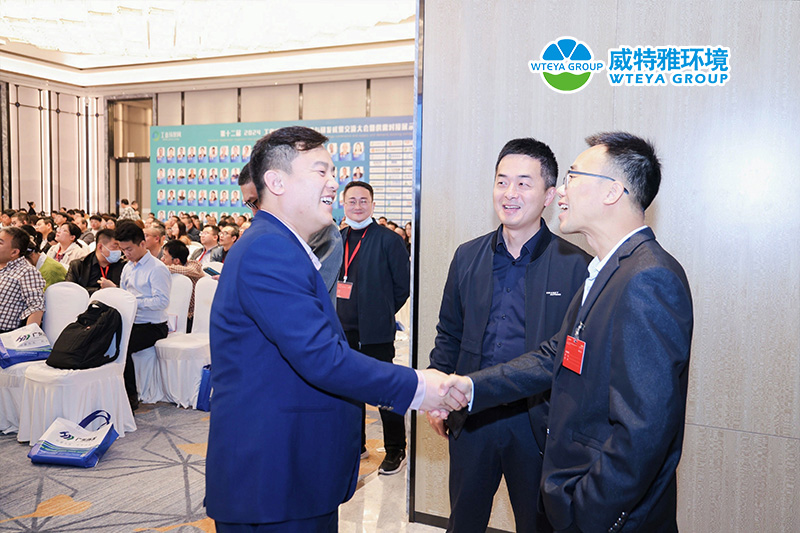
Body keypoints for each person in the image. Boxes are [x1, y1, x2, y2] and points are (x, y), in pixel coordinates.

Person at [442, 132, 694, 533]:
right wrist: (469, 388)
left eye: (573, 177)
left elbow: (643, 432)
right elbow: (555, 355)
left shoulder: (647, 279)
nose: (561, 191)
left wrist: (584, 510)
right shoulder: (607, 271)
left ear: (612, 192)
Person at [205, 126, 450, 532]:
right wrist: (422, 388)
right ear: (276, 182)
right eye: (321, 171)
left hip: (293, 470)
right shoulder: (268, 249)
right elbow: (322, 358)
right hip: (274, 478)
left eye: (333, 172)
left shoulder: (280, 244)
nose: (334, 183)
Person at [426, 138, 590, 533]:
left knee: (539, 525)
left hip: (537, 424)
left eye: (523, 183)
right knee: (464, 522)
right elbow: (449, 332)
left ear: (548, 195)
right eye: (502, 182)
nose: (509, 193)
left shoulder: (576, 266)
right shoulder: (467, 256)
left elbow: (576, 356)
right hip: (472, 417)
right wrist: (437, 394)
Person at [337, 180, 411, 474]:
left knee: (384, 391)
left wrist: (380, 312)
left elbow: (401, 287)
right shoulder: (336, 239)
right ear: (343, 204)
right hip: (342, 332)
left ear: (373, 204)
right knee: (348, 390)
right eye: (352, 201)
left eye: (363, 201)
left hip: (375, 333)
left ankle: (396, 449)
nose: (357, 206)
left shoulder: (388, 240)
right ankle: (356, 444)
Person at [240, 161, 343, 301]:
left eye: (255, 202)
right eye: (249, 204)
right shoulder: (271, 231)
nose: (255, 211)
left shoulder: (322, 231)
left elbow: (306, 291)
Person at [107, 221, 172, 411]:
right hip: (131, 321)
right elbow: (124, 294)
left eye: (129, 249)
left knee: (122, 346)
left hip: (153, 326)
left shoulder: (157, 268)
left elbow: (162, 302)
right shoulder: (128, 267)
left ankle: (130, 397)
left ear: (142, 244)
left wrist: (133, 301)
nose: (126, 253)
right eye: (122, 249)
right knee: (103, 339)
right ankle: (110, 392)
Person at [0, 227, 45, 334]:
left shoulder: (27, 272)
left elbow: (36, 307)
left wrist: (27, 337)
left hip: (5, 335)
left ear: (14, 252)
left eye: (0, 243)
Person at [66, 229, 125, 295]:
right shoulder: (78, 265)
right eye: (115, 247)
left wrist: (115, 288)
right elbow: (69, 290)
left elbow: (129, 292)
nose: (119, 251)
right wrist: (99, 291)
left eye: (120, 248)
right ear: (100, 247)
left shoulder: (123, 265)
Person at [160, 239, 203, 330]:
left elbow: (190, 270)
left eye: (164, 256)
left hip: (193, 315)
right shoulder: (165, 270)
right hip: (173, 312)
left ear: (176, 261)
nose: (161, 259)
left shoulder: (194, 264)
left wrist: (163, 268)